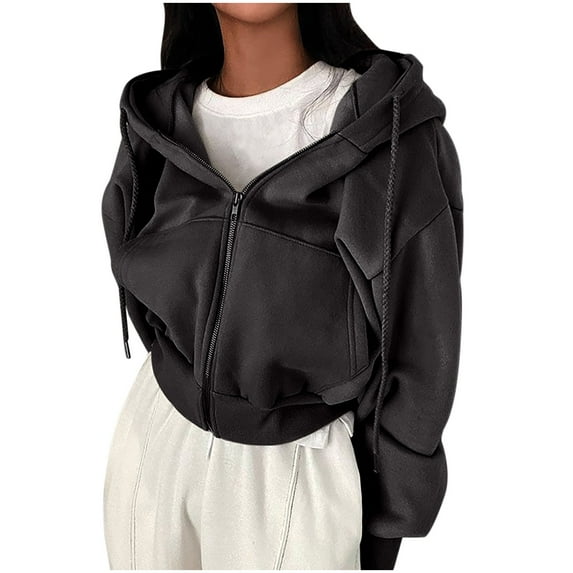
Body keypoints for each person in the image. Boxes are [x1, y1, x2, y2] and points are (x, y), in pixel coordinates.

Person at [101, 3, 463, 570]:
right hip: (155, 438)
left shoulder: (384, 132)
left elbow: (418, 346)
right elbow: (136, 269)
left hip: (295, 466)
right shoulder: (161, 117)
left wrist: (389, 515)